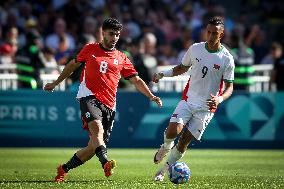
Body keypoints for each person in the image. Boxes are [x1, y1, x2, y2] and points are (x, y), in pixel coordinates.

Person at [43, 18, 162, 182]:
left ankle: (64, 168)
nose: (114, 38)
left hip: (109, 104)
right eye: (111, 34)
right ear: (103, 33)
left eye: (117, 35)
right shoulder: (90, 49)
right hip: (88, 96)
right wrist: (56, 82)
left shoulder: (121, 57)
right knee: (97, 131)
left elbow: (136, 80)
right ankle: (106, 162)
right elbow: (72, 65)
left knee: (92, 147)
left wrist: (151, 95)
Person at [152, 17, 235, 182]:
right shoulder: (195, 49)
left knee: (183, 143)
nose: (211, 36)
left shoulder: (227, 58)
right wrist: (163, 74)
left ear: (222, 34)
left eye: (215, 33)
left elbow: (230, 87)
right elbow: (182, 68)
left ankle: (162, 171)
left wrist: (220, 99)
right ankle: (165, 147)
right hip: (188, 100)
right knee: (172, 131)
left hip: (206, 108)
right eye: (209, 32)